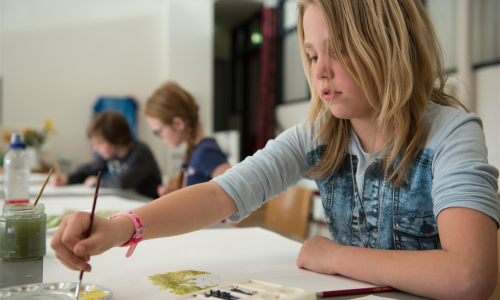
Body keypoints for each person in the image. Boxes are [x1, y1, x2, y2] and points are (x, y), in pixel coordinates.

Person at [51, 1, 500, 299]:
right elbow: (218, 195)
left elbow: (471, 275)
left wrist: (336, 256)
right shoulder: (319, 134)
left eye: (338, 51)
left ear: (388, 45)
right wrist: (119, 229)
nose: (320, 72)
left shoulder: (451, 133)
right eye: (310, 55)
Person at [144, 81, 231, 196]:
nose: (158, 137)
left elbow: (236, 191)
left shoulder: (206, 152)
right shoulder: (193, 151)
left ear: (178, 124)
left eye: (158, 131)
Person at [51, 111, 162, 199]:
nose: (95, 148)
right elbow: (89, 171)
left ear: (118, 139)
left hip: (149, 203)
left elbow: (123, 183)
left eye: (100, 143)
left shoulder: (140, 152)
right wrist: (67, 179)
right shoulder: (111, 155)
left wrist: (96, 183)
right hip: (130, 202)